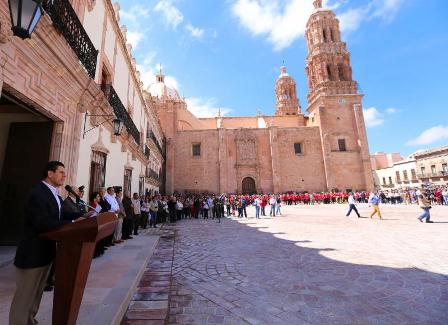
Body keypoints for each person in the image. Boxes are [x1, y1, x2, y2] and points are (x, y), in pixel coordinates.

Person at [9, 161, 87, 325]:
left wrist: (78, 219)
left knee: (36, 295)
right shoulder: (38, 193)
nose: (64, 175)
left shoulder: (55, 194)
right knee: (24, 298)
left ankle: (30, 321)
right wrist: (72, 224)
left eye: (64, 173)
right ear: (49, 174)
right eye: (60, 172)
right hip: (32, 253)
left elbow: (59, 217)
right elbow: (42, 222)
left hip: (45, 253)